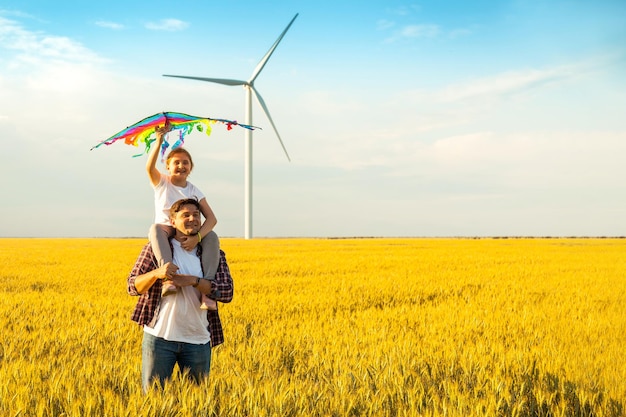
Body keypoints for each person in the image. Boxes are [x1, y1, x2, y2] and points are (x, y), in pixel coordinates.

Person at [127, 198, 234, 392]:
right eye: (186, 215)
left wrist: (194, 281)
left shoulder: (212, 252)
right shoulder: (155, 249)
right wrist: (157, 274)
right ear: (173, 221)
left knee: (198, 404)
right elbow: (132, 286)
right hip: (159, 339)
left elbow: (227, 292)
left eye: (196, 215)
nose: (192, 218)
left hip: (198, 340)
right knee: (153, 400)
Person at [147, 122, 219, 310]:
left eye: (185, 162)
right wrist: (158, 141)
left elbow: (211, 219)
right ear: (168, 167)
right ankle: (168, 278)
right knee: (155, 229)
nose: (181, 165)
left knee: (212, 236)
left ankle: (207, 292)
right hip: (167, 228)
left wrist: (198, 237)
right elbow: (149, 167)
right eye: (176, 162)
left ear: (191, 167)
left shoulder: (195, 190)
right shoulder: (162, 182)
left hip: (189, 231)